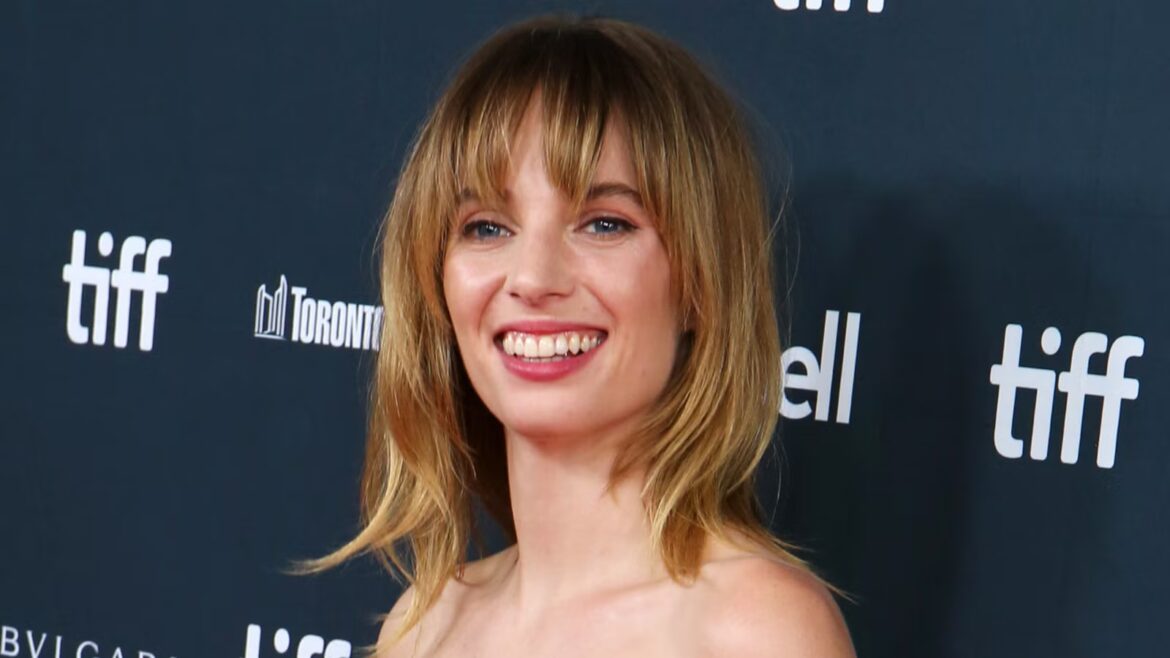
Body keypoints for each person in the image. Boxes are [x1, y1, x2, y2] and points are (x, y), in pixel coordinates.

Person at [300, 14, 855, 658]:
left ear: (702, 282)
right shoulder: (424, 625)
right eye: (486, 227)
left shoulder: (755, 631)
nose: (533, 279)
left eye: (604, 223)